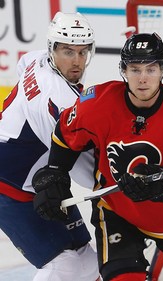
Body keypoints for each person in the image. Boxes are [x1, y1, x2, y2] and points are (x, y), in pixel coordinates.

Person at [31, 32, 163, 281]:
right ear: (123, 70)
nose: (143, 79)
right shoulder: (96, 103)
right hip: (116, 209)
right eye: (135, 69)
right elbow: (65, 131)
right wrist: (56, 172)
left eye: (151, 69)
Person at [0, 12, 99, 280]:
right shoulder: (58, 101)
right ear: (53, 48)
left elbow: (23, 64)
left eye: (82, 52)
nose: (77, 61)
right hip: (10, 188)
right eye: (68, 52)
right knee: (63, 265)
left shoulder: (37, 58)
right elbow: (83, 171)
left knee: (88, 260)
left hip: (37, 181)